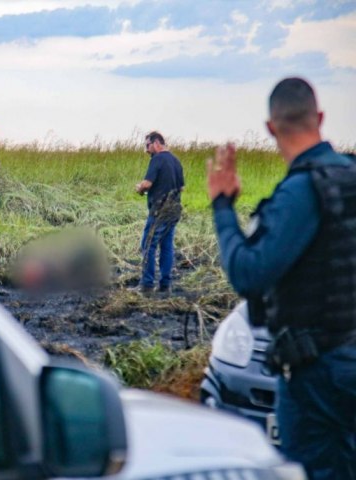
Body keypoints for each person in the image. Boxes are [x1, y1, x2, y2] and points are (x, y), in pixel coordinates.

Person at [207, 77, 356, 479]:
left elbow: (249, 275)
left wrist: (223, 205)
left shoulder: (300, 192)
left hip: (316, 373)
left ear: (271, 128)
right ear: (320, 117)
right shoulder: (350, 177)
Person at [136, 131, 184, 293]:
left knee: (148, 244)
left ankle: (147, 284)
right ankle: (165, 284)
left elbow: (147, 184)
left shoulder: (157, 160)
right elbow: (182, 187)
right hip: (174, 210)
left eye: (147, 145)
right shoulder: (176, 161)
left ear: (157, 143)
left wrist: (139, 188)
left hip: (159, 211)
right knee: (167, 246)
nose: (146, 150)